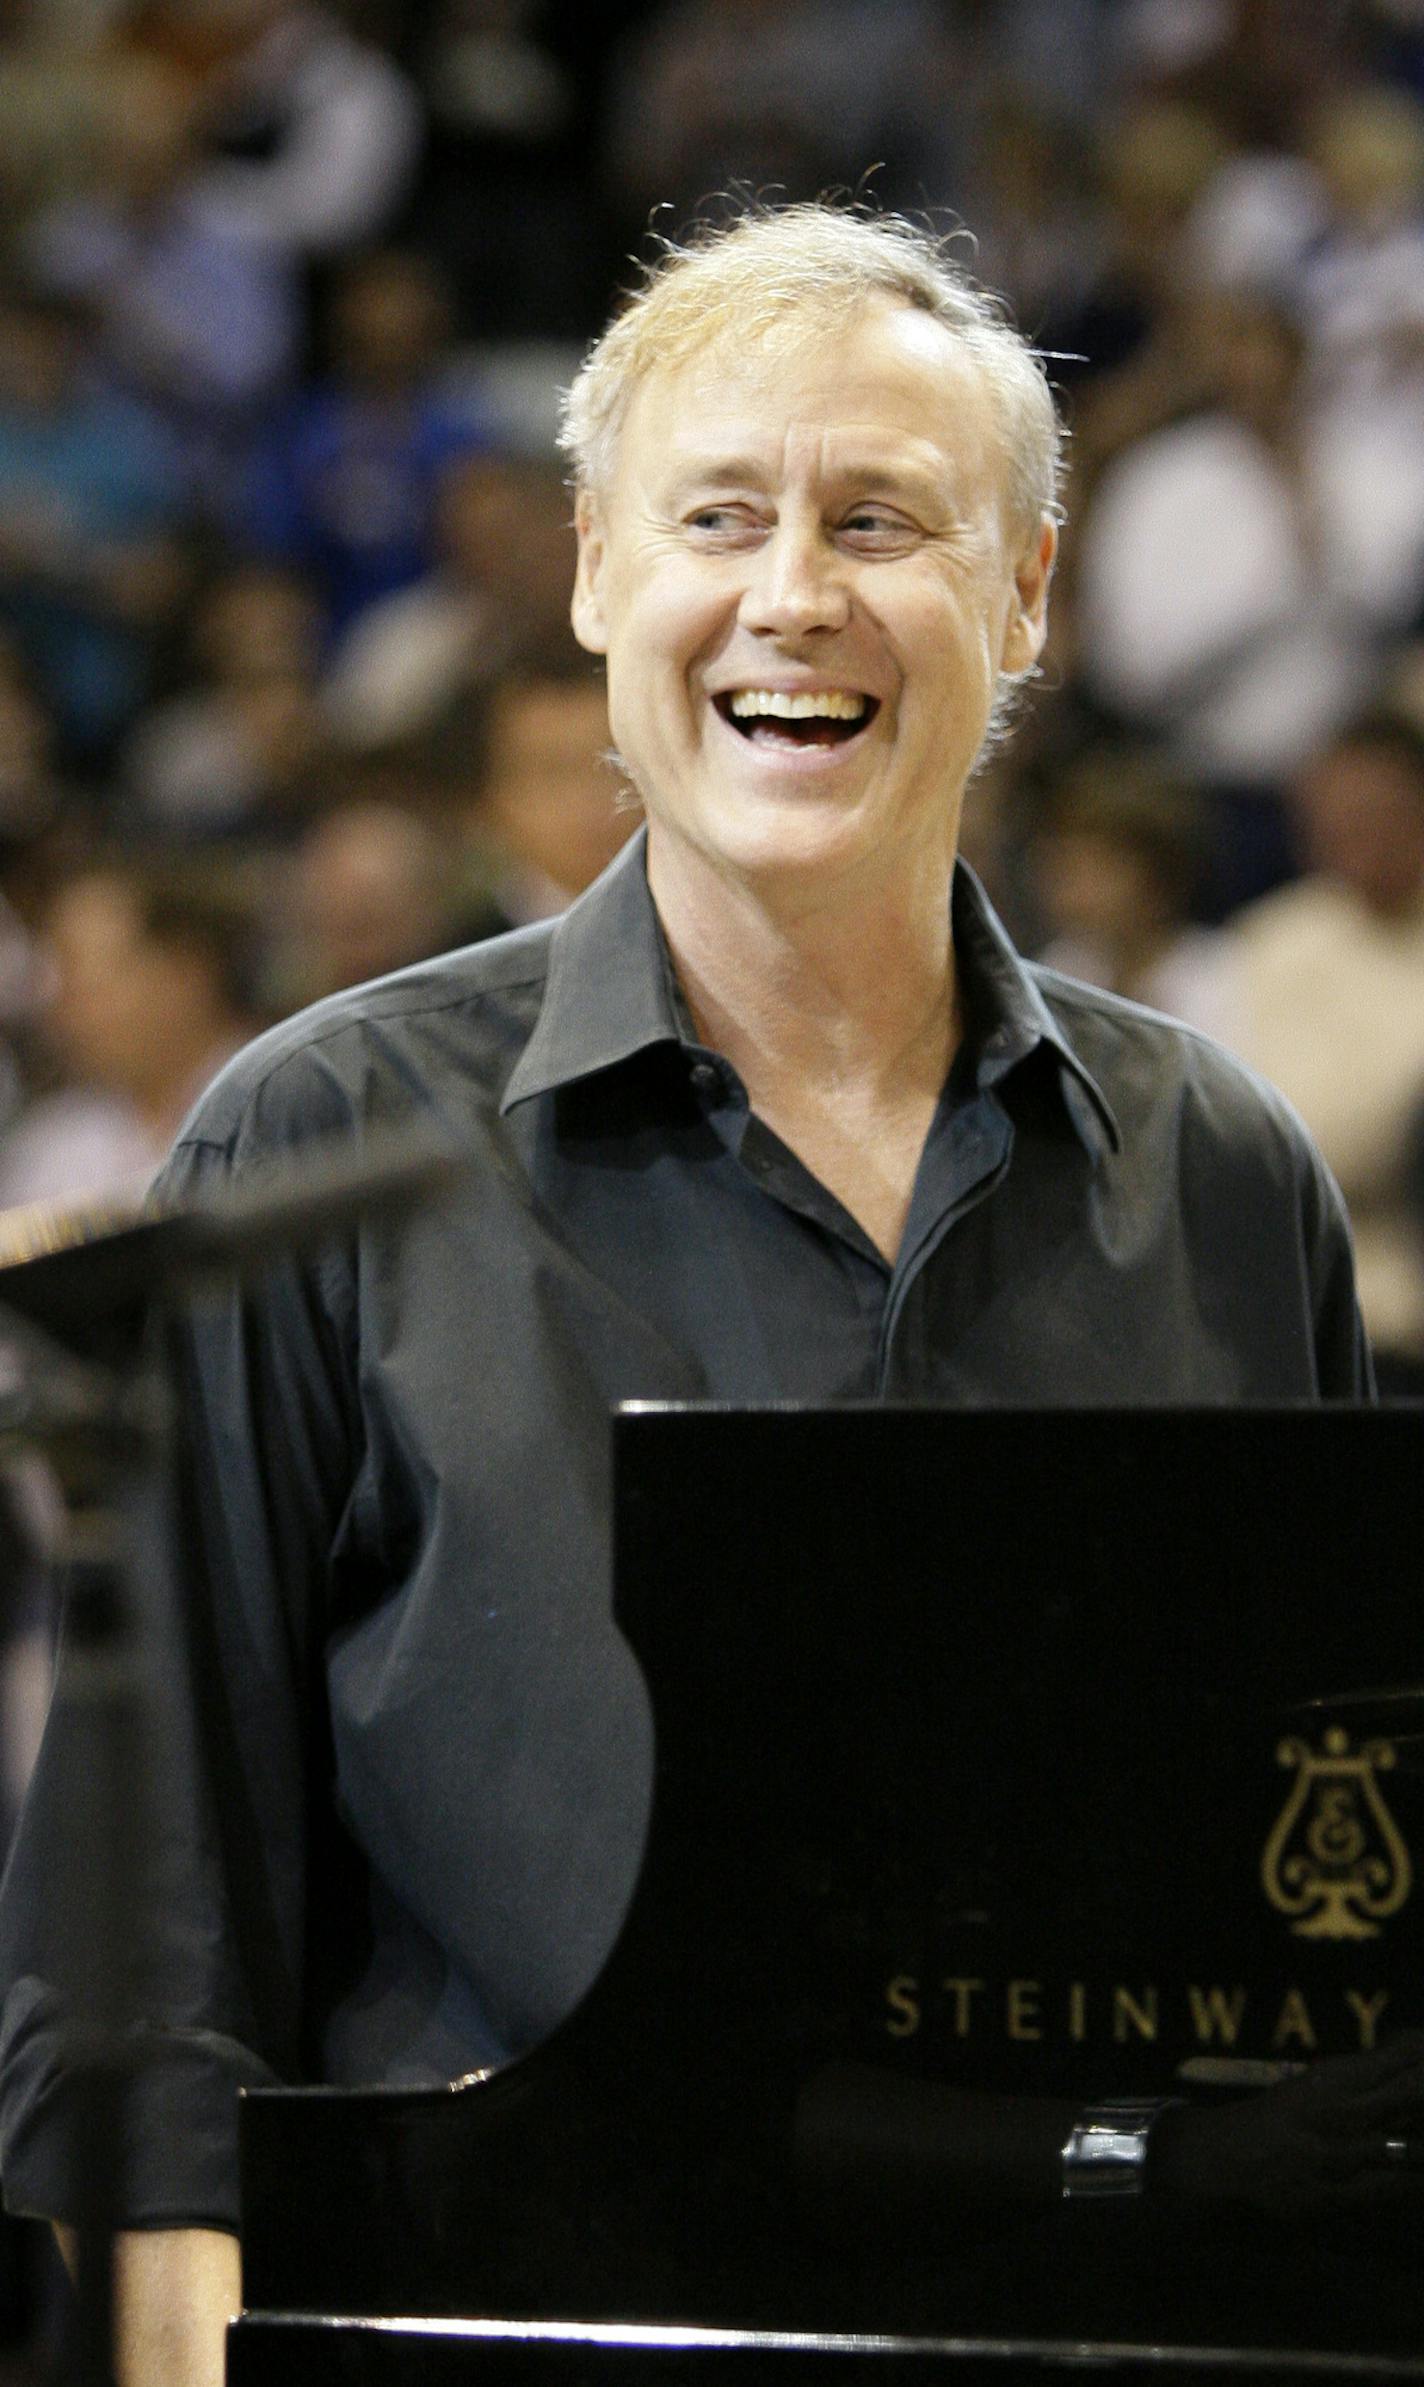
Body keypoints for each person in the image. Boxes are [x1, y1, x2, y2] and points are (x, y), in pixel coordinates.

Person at [0, 203, 1401, 2387]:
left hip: (1119, 2342)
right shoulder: (315, 1152)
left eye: (881, 521)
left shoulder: (1225, 1174)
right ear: (589, 575)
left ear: (1026, 592)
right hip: (493, 2333)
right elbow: (142, 1968)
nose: (792, 596)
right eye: (718, 515)